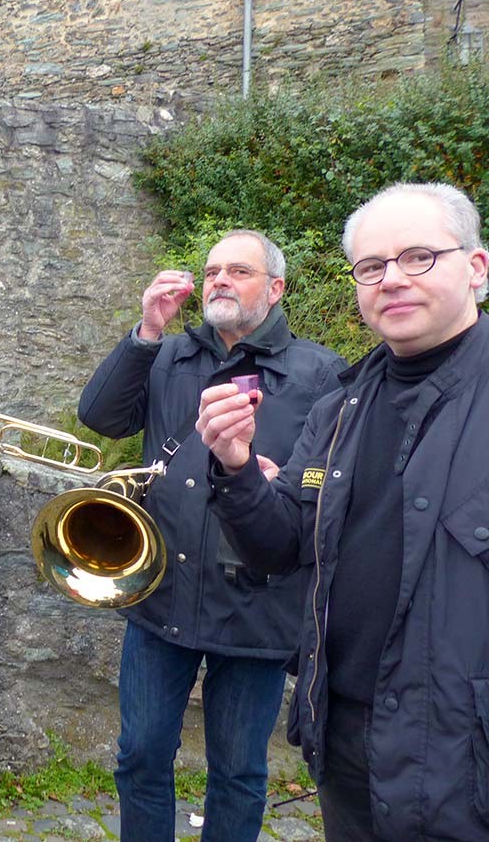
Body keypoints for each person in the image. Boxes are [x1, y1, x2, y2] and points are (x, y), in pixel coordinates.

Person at [197, 183, 489, 841]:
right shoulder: (338, 407)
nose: (393, 279)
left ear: (476, 267)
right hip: (345, 744)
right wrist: (237, 470)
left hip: (465, 758)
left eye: (418, 257)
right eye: (371, 266)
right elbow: (282, 546)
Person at [78, 229, 346, 841]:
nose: (220, 280)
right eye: (212, 271)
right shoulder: (167, 354)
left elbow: (333, 477)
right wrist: (146, 333)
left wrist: (287, 482)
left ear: (275, 289)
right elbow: (100, 417)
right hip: (161, 595)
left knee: (238, 773)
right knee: (139, 756)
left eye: (239, 271)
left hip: (257, 606)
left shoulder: (320, 372)